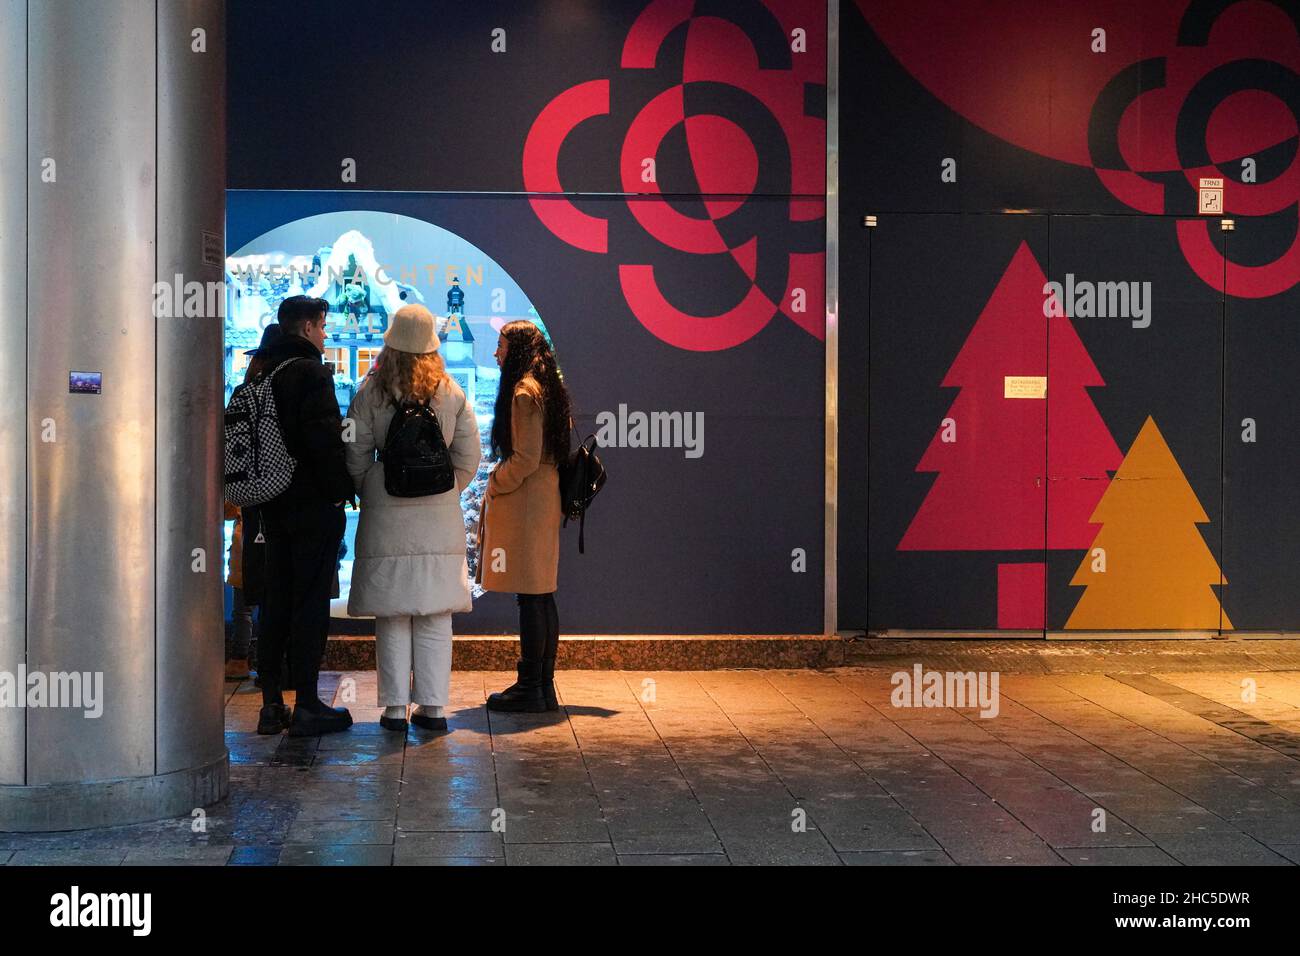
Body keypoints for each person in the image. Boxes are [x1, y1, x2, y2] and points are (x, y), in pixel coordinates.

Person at [345, 304, 481, 732]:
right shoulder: (450, 391)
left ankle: (392, 710)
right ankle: (435, 709)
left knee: (393, 613)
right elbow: (470, 455)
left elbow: (353, 449)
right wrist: (445, 489)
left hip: (386, 511)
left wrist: (372, 483)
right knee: (436, 614)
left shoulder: (371, 390)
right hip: (438, 513)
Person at [257, 296, 356, 736]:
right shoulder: (311, 373)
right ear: (307, 328)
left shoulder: (262, 373)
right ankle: (309, 703)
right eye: (321, 326)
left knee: (275, 598)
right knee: (310, 601)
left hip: (271, 504)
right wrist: (340, 494)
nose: (324, 333)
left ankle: (270, 703)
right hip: (310, 505)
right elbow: (323, 442)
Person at [479, 320, 571, 713]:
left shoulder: (523, 392)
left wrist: (495, 480)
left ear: (515, 348)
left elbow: (525, 458)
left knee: (531, 597)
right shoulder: (546, 387)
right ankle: (541, 686)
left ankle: (531, 687)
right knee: (540, 595)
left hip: (528, 502)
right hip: (543, 498)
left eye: (500, 345)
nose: (495, 353)